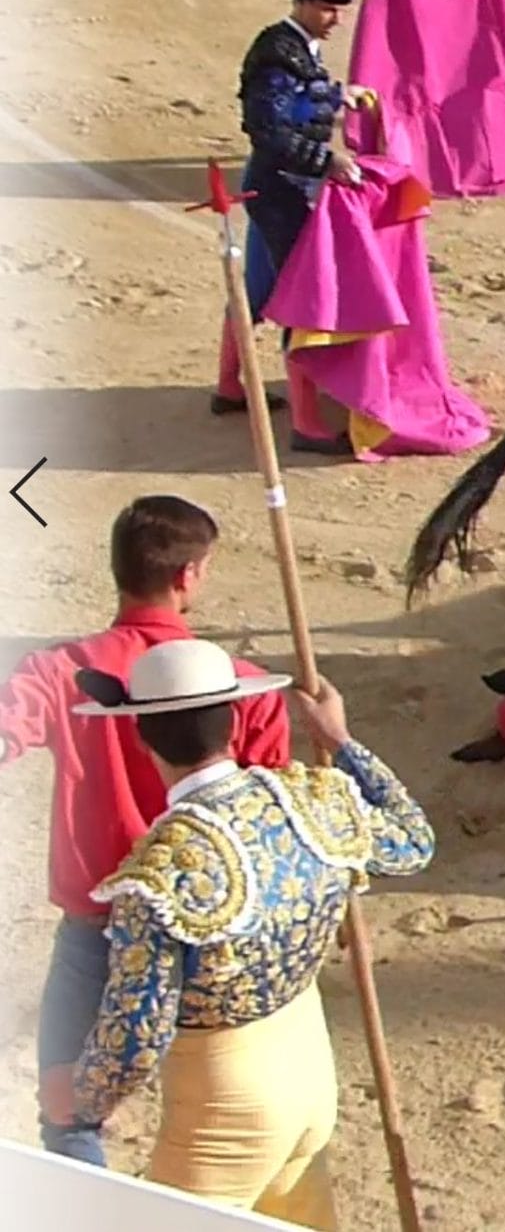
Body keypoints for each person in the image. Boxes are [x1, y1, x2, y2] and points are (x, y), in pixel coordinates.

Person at [40, 647, 434, 1228]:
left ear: (142, 739)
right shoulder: (312, 801)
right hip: (310, 1075)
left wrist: (83, 1100)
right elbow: (414, 839)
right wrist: (342, 740)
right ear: (233, 722)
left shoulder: (158, 874)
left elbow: (138, 1034)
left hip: (225, 1113)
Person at [0, 496, 296, 1167]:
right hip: (215, 936)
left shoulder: (58, 672)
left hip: (100, 927)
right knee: (222, 1119)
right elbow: (270, 810)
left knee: (68, 1113)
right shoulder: (245, 687)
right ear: (191, 575)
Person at [226, 0, 376, 453]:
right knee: (300, 300)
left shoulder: (294, 48)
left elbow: (299, 101)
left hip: (272, 188)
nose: (336, 20)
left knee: (258, 287)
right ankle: (308, 424)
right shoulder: (276, 55)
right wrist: (325, 159)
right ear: (304, 4)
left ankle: (230, 387)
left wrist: (337, 96)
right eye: (329, 10)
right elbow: (269, 131)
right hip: (279, 191)